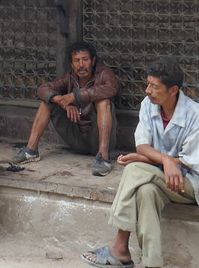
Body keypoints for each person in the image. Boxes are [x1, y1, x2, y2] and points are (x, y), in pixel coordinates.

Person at [81, 57, 199, 268]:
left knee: (135, 168)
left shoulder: (197, 116)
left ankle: (119, 245)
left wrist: (146, 160)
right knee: (145, 192)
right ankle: (152, 263)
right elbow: (142, 145)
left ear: (173, 90)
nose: (148, 90)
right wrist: (165, 160)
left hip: (197, 183)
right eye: (148, 84)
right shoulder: (148, 105)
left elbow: (189, 163)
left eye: (154, 86)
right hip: (163, 178)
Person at [10, 41, 119, 176]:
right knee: (47, 101)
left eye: (85, 60)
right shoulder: (69, 77)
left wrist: (76, 96)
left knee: (103, 101)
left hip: (98, 139)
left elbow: (111, 88)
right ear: (72, 64)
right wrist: (62, 101)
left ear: (93, 61)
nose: (81, 65)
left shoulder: (104, 73)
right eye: (77, 61)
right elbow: (43, 89)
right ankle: (31, 151)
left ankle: (104, 158)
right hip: (76, 138)